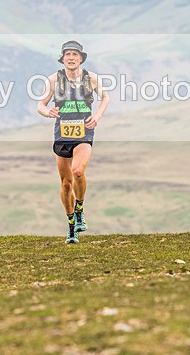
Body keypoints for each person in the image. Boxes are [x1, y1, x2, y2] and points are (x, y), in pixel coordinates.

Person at [37, 40, 110, 244]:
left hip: (84, 132)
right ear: (63, 58)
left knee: (78, 171)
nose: (71, 58)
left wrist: (97, 116)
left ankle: (80, 209)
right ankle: (71, 227)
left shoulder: (91, 79)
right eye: (67, 54)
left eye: (74, 54)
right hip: (62, 134)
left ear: (80, 58)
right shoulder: (53, 80)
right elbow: (40, 105)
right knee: (66, 184)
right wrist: (48, 112)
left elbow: (105, 98)